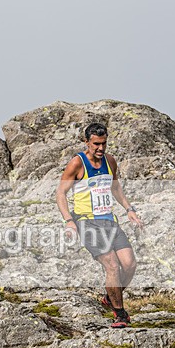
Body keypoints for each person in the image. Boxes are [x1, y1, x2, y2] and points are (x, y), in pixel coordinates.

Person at [55, 122, 144, 328]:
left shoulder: (110, 161)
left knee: (129, 264)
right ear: (87, 142)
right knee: (112, 266)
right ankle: (120, 314)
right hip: (87, 223)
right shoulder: (77, 164)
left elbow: (115, 187)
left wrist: (129, 210)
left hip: (110, 222)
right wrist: (69, 221)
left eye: (103, 144)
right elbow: (60, 193)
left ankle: (110, 296)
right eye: (96, 144)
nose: (100, 149)